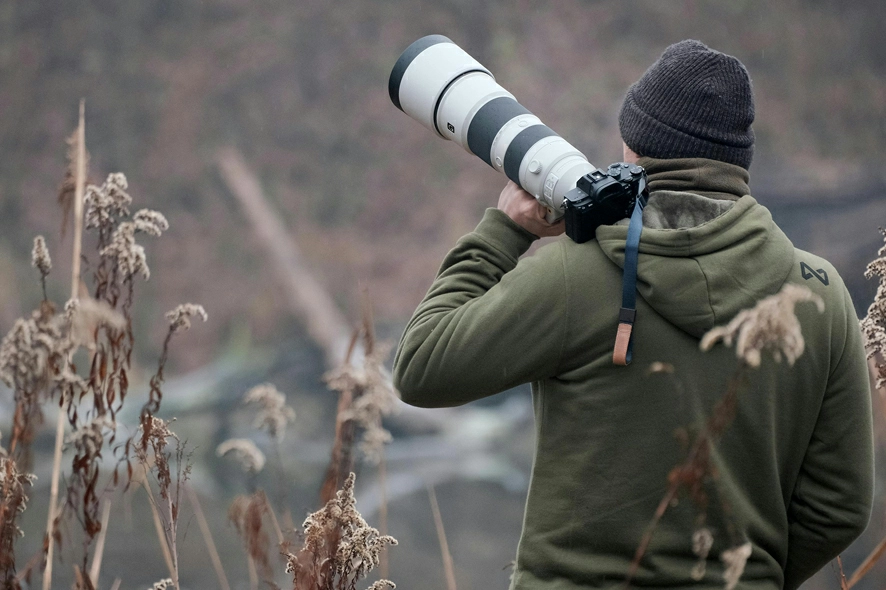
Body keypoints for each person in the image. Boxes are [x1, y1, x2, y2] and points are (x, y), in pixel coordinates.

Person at [392, 40, 873, 590]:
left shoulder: (578, 276)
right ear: (738, 161)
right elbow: (840, 507)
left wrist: (507, 230)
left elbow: (420, 367)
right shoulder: (820, 293)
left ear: (632, 146)